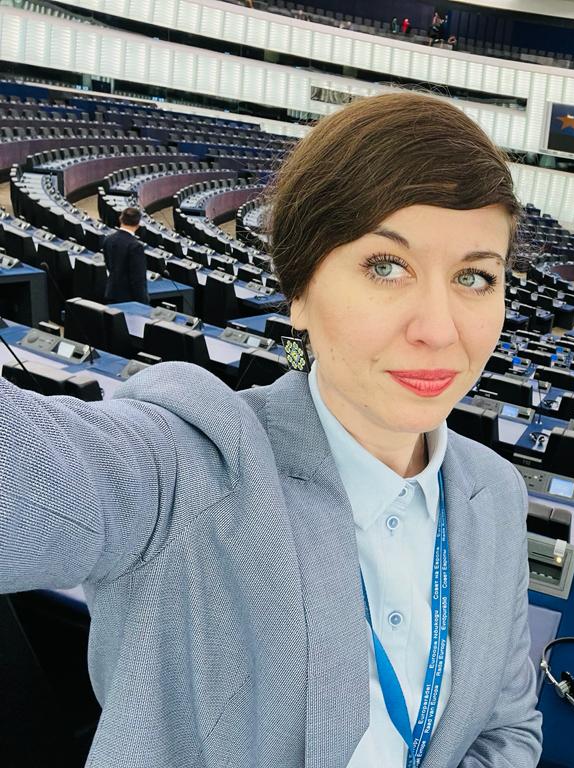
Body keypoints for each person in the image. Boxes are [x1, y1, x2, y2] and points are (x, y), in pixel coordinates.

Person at [0, 93, 542, 768]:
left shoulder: (497, 494)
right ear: (299, 291)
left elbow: (508, 730)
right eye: (385, 266)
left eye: (475, 276)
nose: (438, 329)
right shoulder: (193, 464)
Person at [101, 206, 149, 304]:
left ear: (120, 219)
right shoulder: (135, 246)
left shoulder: (108, 239)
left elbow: (109, 265)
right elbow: (137, 279)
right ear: (138, 224)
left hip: (111, 293)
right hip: (129, 299)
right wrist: (144, 302)